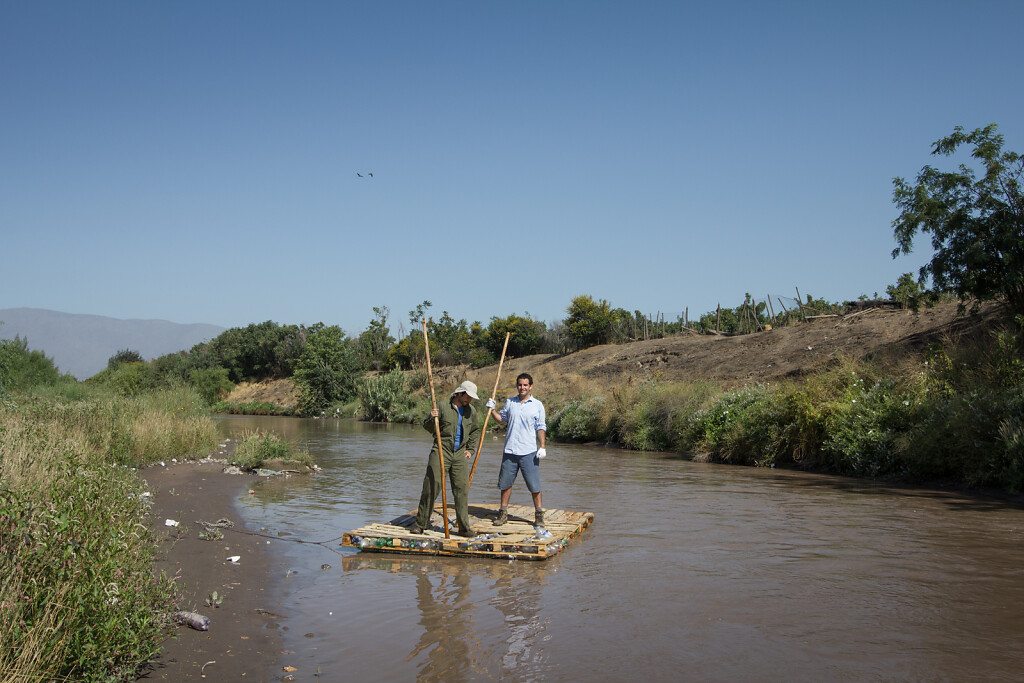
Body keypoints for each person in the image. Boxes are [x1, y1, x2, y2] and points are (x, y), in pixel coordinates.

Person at [410, 380, 482, 538]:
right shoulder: (442, 406)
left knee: (461, 490)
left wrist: (470, 449)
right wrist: (431, 417)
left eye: (471, 397)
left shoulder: (471, 412)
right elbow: (428, 427)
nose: (469, 400)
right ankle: (420, 524)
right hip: (441, 450)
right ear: (460, 393)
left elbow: (475, 430)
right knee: (432, 485)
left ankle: (463, 528)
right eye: (467, 396)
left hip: (460, 454)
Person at [485, 372, 547, 527]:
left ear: (531, 386)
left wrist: (543, 446)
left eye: (525, 385)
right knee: (505, 484)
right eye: (520, 384)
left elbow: (541, 427)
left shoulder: (537, 405)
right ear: (517, 386)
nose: (522, 387)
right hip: (510, 451)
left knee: (534, 485)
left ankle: (539, 515)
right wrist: (492, 410)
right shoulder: (510, 402)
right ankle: (503, 513)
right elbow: (501, 419)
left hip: (529, 452)